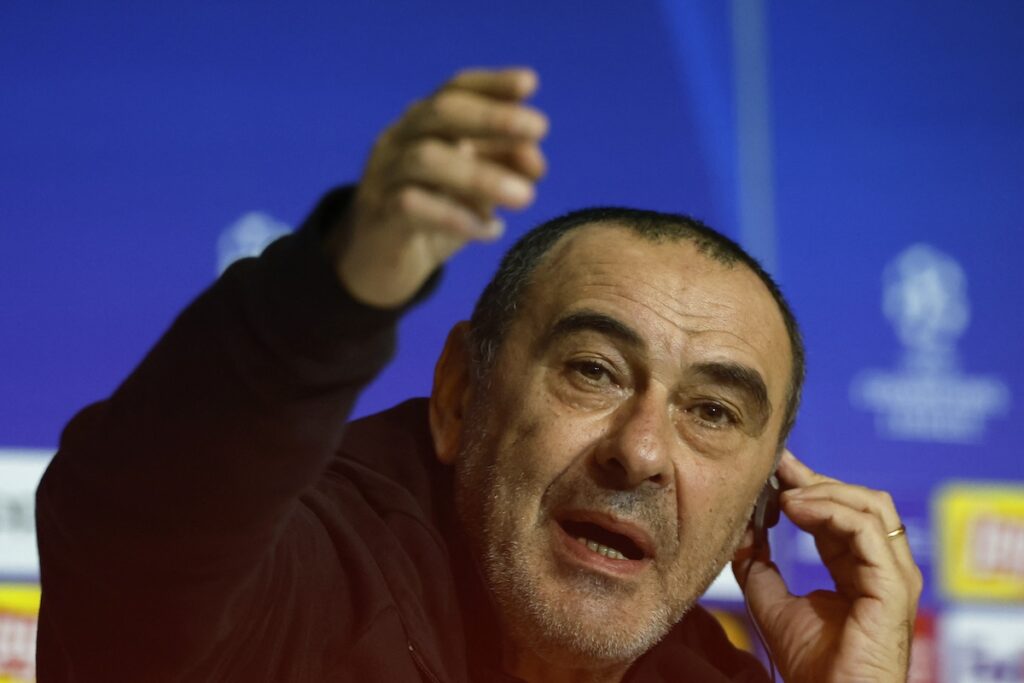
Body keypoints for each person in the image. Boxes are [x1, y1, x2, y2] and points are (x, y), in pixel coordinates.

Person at [35, 68, 922, 682]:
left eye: (714, 412)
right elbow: (141, 524)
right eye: (593, 370)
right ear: (460, 394)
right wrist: (334, 288)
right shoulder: (295, 588)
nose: (643, 449)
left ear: (761, 502)